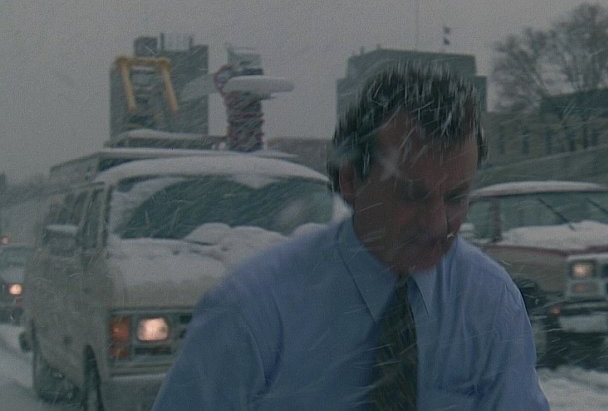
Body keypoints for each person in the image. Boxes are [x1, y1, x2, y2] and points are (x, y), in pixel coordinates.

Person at [152, 63, 549, 410]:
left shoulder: (490, 304)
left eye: (456, 198)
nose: (437, 223)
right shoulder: (250, 312)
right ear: (350, 181)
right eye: (411, 195)